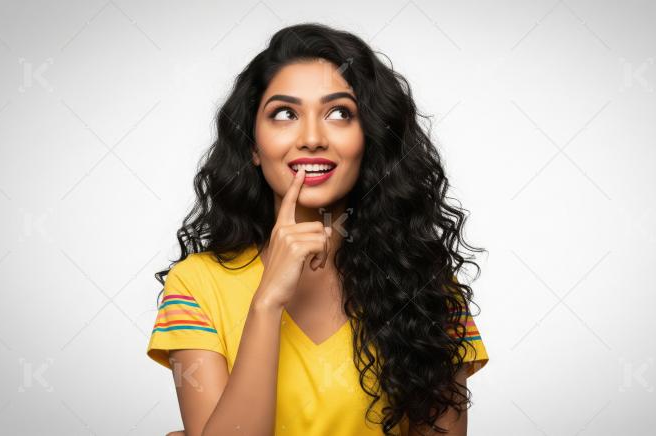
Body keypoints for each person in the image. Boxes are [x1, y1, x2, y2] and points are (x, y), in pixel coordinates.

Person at [146, 22, 489, 436]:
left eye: (339, 113)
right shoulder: (194, 286)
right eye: (285, 114)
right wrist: (267, 303)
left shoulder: (428, 288)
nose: (311, 138)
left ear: (369, 138)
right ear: (254, 145)